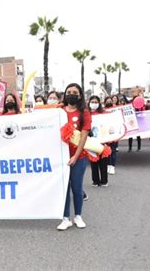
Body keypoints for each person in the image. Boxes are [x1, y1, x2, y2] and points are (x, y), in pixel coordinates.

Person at [57, 83, 91, 231]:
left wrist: (76, 157)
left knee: (76, 187)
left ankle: (78, 216)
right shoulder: (58, 112)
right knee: (64, 188)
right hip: (61, 157)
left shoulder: (84, 113)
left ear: (80, 96)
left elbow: (83, 137)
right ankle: (65, 218)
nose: (71, 94)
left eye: (75, 92)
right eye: (69, 92)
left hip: (79, 157)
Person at [88, 96, 108, 187]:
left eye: (96, 102)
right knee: (93, 161)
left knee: (103, 162)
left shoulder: (104, 113)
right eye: (92, 102)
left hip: (103, 141)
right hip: (91, 140)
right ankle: (95, 181)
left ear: (99, 103)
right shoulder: (86, 114)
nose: (94, 103)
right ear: (89, 103)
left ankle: (104, 181)